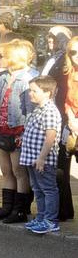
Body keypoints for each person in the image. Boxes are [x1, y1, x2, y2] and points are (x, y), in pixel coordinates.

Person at [0, 39, 37, 224]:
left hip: (18, 130)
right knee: (6, 170)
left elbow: (30, 110)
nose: (0, 58)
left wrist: (25, 134)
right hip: (2, 129)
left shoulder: (27, 78)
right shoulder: (2, 77)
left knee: (19, 171)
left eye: (4, 55)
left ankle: (20, 209)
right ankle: (8, 206)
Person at [20, 76, 62, 235]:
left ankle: (51, 221)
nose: (30, 94)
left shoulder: (50, 111)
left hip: (42, 160)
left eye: (34, 91)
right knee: (37, 189)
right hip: (33, 158)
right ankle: (42, 217)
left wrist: (42, 157)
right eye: (30, 90)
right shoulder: (38, 109)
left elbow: (50, 136)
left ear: (47, 93)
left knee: (48, 189)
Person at [55, 39, 77, 222]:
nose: (76, 57)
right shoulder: (66, 73)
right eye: (73, 53)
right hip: (68, 125)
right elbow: (63, 100)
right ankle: (64, 209)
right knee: (61, 169)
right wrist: (70, 119)